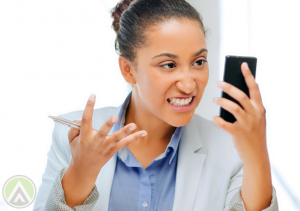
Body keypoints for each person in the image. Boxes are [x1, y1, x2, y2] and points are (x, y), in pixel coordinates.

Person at [33, 0, 279, 210]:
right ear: (128, 70)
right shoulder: (73, 139)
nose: (188, 84)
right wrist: (80, 174)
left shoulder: (232, 151)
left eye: (199, 61)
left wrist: (257, 154)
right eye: (169, 65)